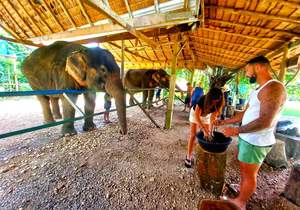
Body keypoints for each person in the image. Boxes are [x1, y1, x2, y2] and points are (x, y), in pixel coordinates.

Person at [216, 56, 287, 210]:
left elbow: (265, 121)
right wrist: (225, 122)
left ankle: (241, 202)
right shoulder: (257, 89)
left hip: (256, 141)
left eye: (247, 69)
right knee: (244, 169)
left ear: (258, 67)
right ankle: (243, 189)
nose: (246, 73)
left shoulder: (273, 88)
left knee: (249, 174)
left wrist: (236, 130)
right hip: (248, 138)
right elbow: (244, 113)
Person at [185, 87, 224, 168]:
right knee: (193, 135)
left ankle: (205, 157)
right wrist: (203, 129)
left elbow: (212, 118)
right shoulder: (203, 99)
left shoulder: (219, 102)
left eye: (216, 102)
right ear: (210, 98)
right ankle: (188, 156)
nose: (214, 104)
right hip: (195, 114)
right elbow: (197, 117)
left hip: (206, 116)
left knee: (208, 135)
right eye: (213, 102)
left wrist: (210, 131)